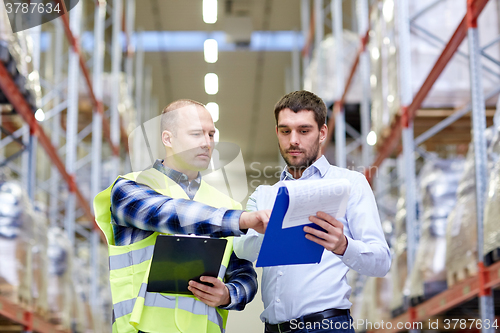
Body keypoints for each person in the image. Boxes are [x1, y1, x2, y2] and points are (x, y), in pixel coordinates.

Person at [94, 99, 271, 333]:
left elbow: (245, 274)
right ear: (168, 139)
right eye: (197, 134)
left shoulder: (226, 205)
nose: (207, 143)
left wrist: (229, 294)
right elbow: (170, 213)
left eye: (211, 134)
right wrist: (241, 220)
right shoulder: (129, 189)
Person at [233, 90, 391, 333]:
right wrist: (268, 229)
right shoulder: (264, 195)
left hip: (326, 327)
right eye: (285, 131)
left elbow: (381, 261)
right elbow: (242, 250)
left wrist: (343, 246)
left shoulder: (351, 183)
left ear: (322, 133)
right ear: (277, 132)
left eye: (304, 131)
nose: (293, 140)